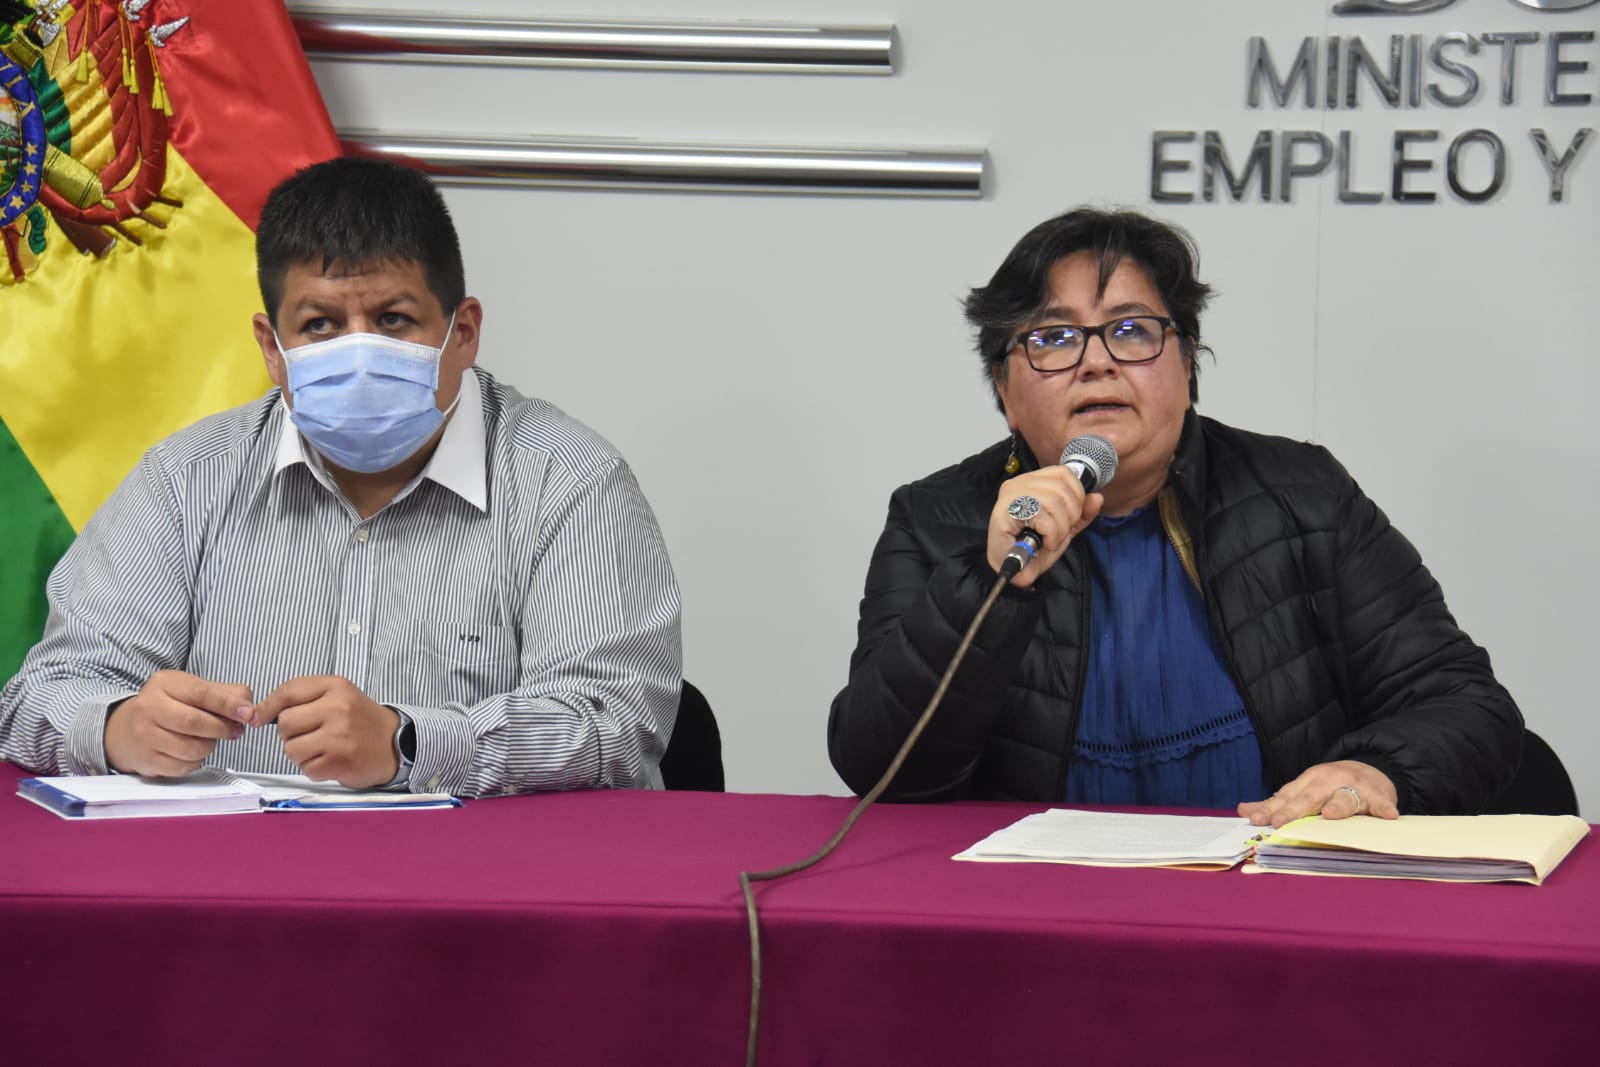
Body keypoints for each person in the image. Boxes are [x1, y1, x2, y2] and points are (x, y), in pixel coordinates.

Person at [0, 157, 682, 797]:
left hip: (480, 873)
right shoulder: (185, 481)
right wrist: (117, 727)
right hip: (235, 868)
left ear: (463, 332)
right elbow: (38, 696)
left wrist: (407, 744)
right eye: (321, 324)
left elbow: (619, 724)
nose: (358, 354)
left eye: (393, 320)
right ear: (272, 348)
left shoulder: (570, 482)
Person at [827, 207, 1521, 826]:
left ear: (1187, 364)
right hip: (1034, 902)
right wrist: (988, 581)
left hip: (1275, 890)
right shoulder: (936, 521)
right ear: (1004, 391)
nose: (1096, 362)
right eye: (1054, 338)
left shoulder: (1305, 497)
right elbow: (880, 768)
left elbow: (1468, 707)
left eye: (1131, 331)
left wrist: (1377, 770)